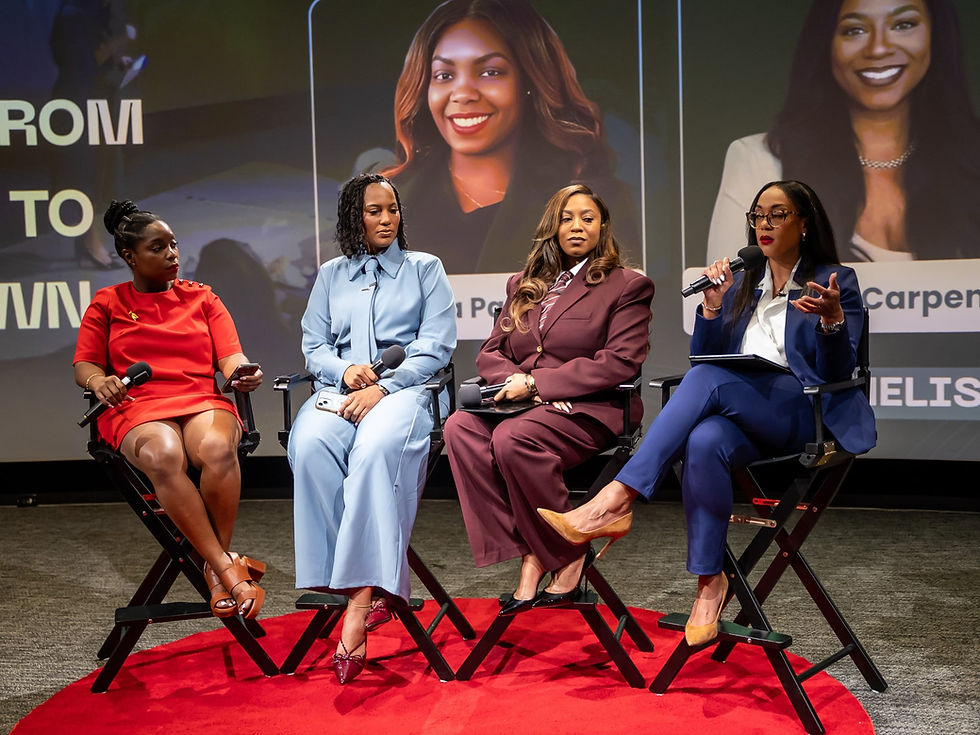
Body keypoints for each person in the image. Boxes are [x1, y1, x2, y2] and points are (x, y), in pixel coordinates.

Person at [542, 180, 875, 645]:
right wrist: (714, 307)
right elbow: (707, 357)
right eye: (757, 215)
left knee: (706, 381)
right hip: (747, 411)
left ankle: (616, 497)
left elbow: (838, 372)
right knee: (703, 441)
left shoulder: (833, 280)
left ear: (804, 223)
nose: (763, 224)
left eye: (777, 214)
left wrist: (832, 321)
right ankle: (708, 584)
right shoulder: (745, 281)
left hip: (805, 410)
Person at [444, 184, 653, 615]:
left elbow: (620, 362)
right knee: (460, 428)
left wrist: (540, 385)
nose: (577, 226)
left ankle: (564, 553)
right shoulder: (524, 284)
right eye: (567, 218)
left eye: (587, 218)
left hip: (592, 407)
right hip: (526, 403)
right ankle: (534, 548)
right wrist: (522, 383)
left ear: (602, 227)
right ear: (552, 227)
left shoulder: (627, 285)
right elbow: (490, 352)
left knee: (513, 439)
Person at [286, 173, 456, 684]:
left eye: (392, 209)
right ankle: (348, 583)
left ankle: (357, 607)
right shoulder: (331, 275)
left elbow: (436, 345)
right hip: (342, 389)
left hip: (406, 391)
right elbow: (314, 345)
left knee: (374, 450)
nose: (386, 219)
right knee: (310, 445)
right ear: (352, 218)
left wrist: (383, 385)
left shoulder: (425, 268)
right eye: (373, 211)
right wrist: (344, 371)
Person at [73, 199, 266, 619]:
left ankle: (215, 567)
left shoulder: (202, 297)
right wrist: (98, 381)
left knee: (217, 448)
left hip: (199, 398)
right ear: (130, 256)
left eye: (173, 244)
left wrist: (241, 373)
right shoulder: (107, 302)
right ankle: (225, 568)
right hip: (138, 406)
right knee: (163, 454)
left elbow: (230, 356)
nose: (172, 254)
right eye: (158, 247)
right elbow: (85, 365)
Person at [707, 0, 980, 262]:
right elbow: (727, 292)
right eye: (855, 30)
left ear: (936, 34)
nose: (878, 48)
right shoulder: (759, 161)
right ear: (827, 43)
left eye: (903, 24)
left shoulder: (971, 160)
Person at [382, 0, 640, 274]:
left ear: (529, 81)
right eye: (444, 75)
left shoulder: (597, 201)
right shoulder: (386, 198)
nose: (463, 94)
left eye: (490, 72)